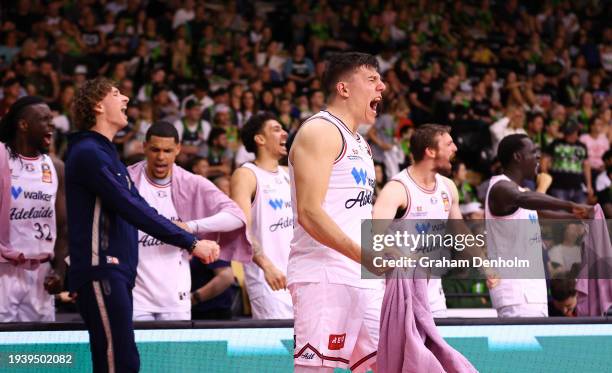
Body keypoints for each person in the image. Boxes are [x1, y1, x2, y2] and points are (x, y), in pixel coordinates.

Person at [65, 78, 220, 373]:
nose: (125, 98)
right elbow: (133, 208)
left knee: (122, 361)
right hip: (102, 270)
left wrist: (189, 236)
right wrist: (191, 242)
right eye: (115, 94)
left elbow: (142, 209)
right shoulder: (88, 151)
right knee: (119, 362)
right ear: (98, 105)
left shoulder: (107, 154)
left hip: (115, 273)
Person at [288, 52, 385, 373]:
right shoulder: (320, 130)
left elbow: (356, 213)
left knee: (391, 363)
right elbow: (309, 212)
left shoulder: (361, 143)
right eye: (371, 80)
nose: (381, 87)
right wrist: (364, 256)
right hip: (324, 275)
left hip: (364, 275)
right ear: (344, 89)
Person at [127, 121, 249, 321]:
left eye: (167, 150)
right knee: (140, 352)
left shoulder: (191, 182)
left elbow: (236, 217)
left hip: (176, 295)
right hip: (136, 295)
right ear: (144, 147)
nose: (160, 157)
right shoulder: (128, 179)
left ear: (178, 149)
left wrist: (189, 227)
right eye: (155, 149)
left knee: (176, 353)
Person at [485, 134, 592, 317]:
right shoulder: (501, 188)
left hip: (531, 293)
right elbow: (525, 199)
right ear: (517, 157)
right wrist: (571, 205)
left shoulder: (518, 191)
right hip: (517, 294)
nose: (538, 157)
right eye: (533, 152)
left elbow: (538, 211)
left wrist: (578, 217)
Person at [372, 124, 461, 318]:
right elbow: (372, 236)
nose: (455, 148)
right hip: (401, 299)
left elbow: (461, 233)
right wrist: (401, 256)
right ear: (430, 151)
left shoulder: (448, 187)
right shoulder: (397, 189)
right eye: (448, 144)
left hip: (435, 298)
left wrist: (485, 264)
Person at [0, 96, 67, 322]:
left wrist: (60, 270)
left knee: (37, 352)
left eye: (52, 119)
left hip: (41, 272)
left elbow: (64, 225)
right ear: (23, 124)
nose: (52, 125)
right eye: (44, 120)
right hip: (4, 269)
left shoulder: (55, 166)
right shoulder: (2, 158)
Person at [231, 112, 293, 319]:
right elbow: (242, 228)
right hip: (268, 278)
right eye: (276, 129)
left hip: (298, 276)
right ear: (260, 139)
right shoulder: (246, 174)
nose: (284, 133)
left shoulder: (288, 174)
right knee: (282, 347)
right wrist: (267, 267)